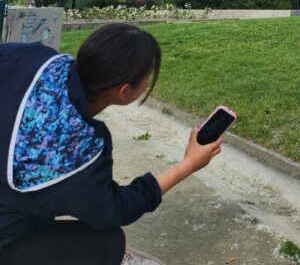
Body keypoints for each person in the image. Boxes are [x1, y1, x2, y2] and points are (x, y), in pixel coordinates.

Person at [0, 23, 223, 265]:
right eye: (146, 77)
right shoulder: (78, 154)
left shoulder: (33, 56)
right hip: (8, 233)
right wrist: (188, 165)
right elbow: (115, 208)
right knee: (108, 244)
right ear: (125, 91)